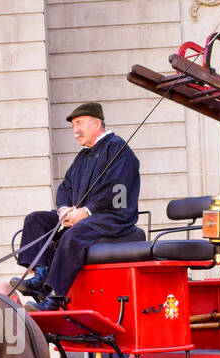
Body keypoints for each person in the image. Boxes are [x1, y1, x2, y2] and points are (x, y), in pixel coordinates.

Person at [13, 102, 141, 311]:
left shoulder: (118, 149)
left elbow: (118, 191)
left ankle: (56, 298)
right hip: (82, 215)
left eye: (79, 124)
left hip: (114, 217)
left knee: (74, 234)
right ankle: (40, 276)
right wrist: (64, 210)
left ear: (96, 123)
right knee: (35, 219)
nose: (75, 131)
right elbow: (65, 187)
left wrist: (86, 212)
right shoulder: (83, 156)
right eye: (73, 126)